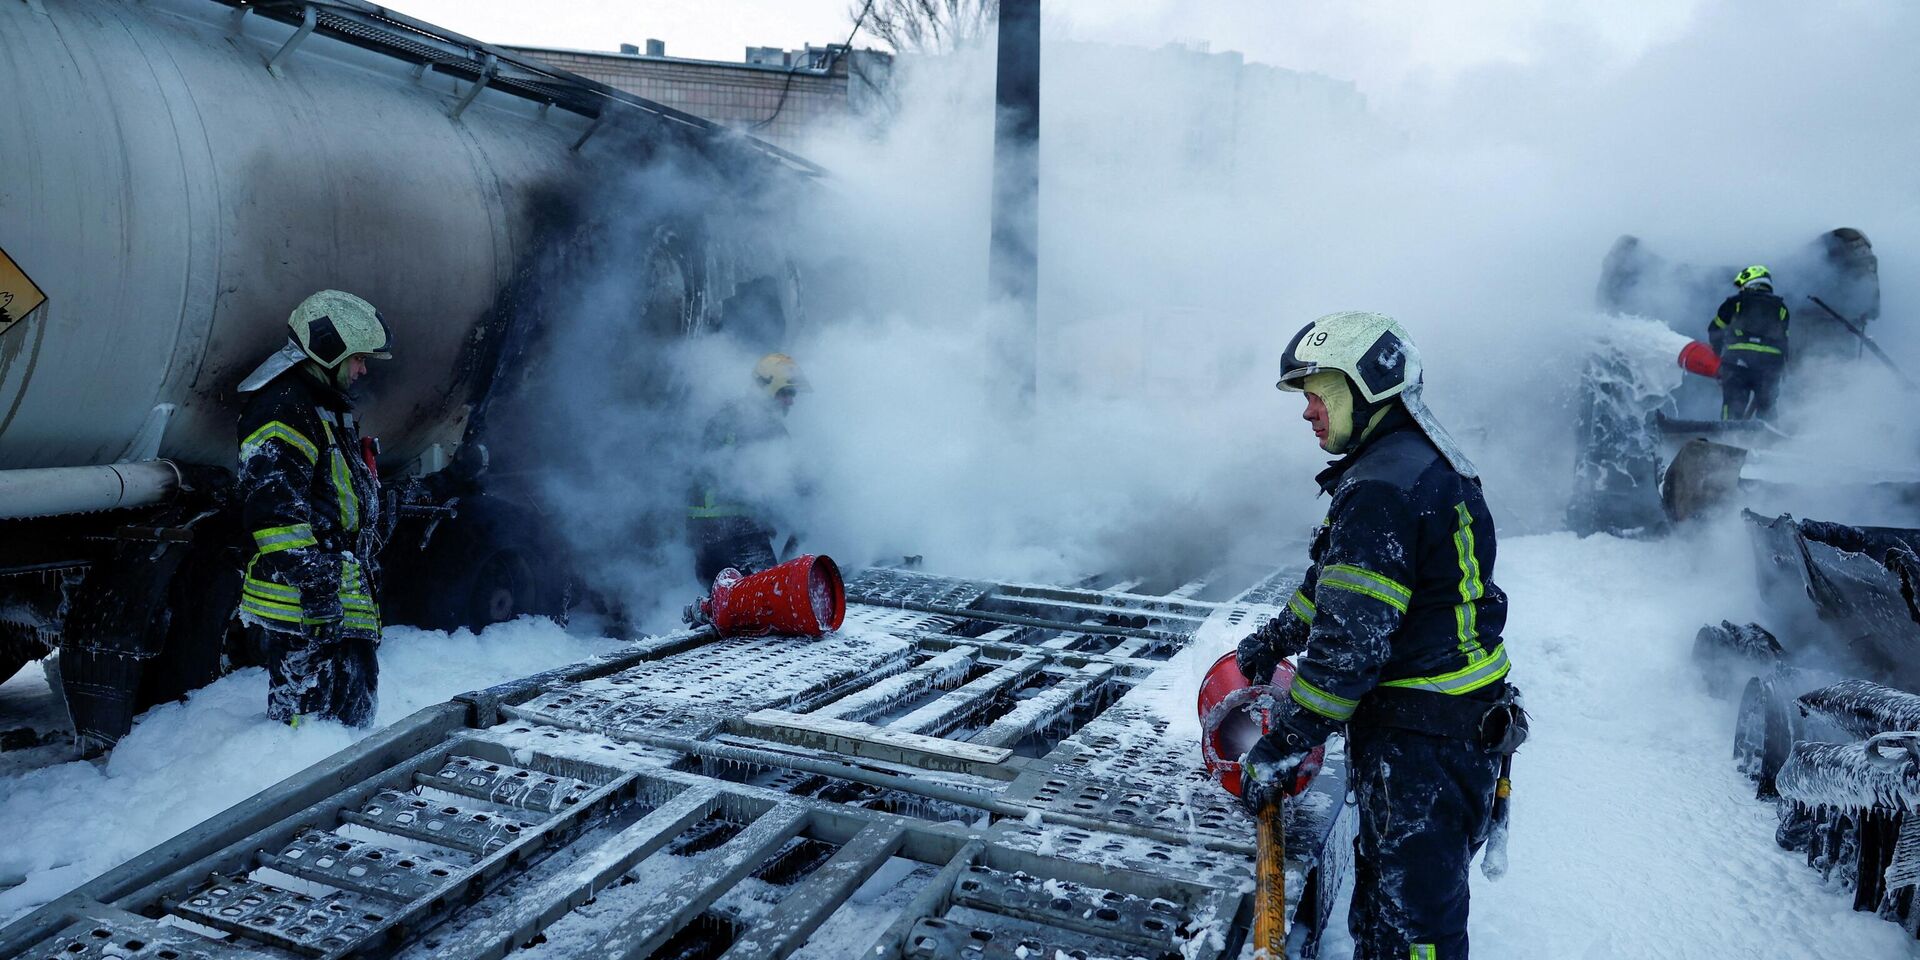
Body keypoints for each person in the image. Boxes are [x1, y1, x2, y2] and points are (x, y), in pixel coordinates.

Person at [1234, 311, 1526, 959]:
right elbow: (1335, 585)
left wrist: (1284, 745)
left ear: (1366, 387)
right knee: (1397, 907)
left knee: (1412, 931)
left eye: (1317, 393)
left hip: (1424, 745)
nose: (1307, 412)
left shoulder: (1380, 488)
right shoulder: (1411, 462)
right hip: (1455, 732)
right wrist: (1274, 641)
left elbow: (1349, 651)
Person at [233, 290, 392, 727]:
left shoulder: (321, 407)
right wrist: (319, 588)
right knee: (310, 741)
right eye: (359, 358)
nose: (363, 369)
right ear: (329, 348)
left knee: (341, 732)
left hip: (332, 604)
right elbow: (273, 516)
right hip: (308, 611)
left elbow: (338, 494)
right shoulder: (283, 410)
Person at [686, 353, 805, 586]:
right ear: (767, 389)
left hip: (709, 538)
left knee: (728, 611)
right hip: (737, 536)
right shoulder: (761, 425)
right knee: (767, 600)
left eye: (793, 393)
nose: (791, 400)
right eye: (785, 392)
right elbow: (763, 476)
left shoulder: (730, 415)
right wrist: (804, 486)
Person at [1710, 265, 1789, 420]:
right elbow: (1785, 340)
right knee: (1767, 407)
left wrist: (1718, 357)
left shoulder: (1735, 302)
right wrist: (1783, 366)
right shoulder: (1781, 307)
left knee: (1733, 406)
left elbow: (1714, 330)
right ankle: (1770, 440)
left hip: (1738, 363)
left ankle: (1727, 438)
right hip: (1770, 365)